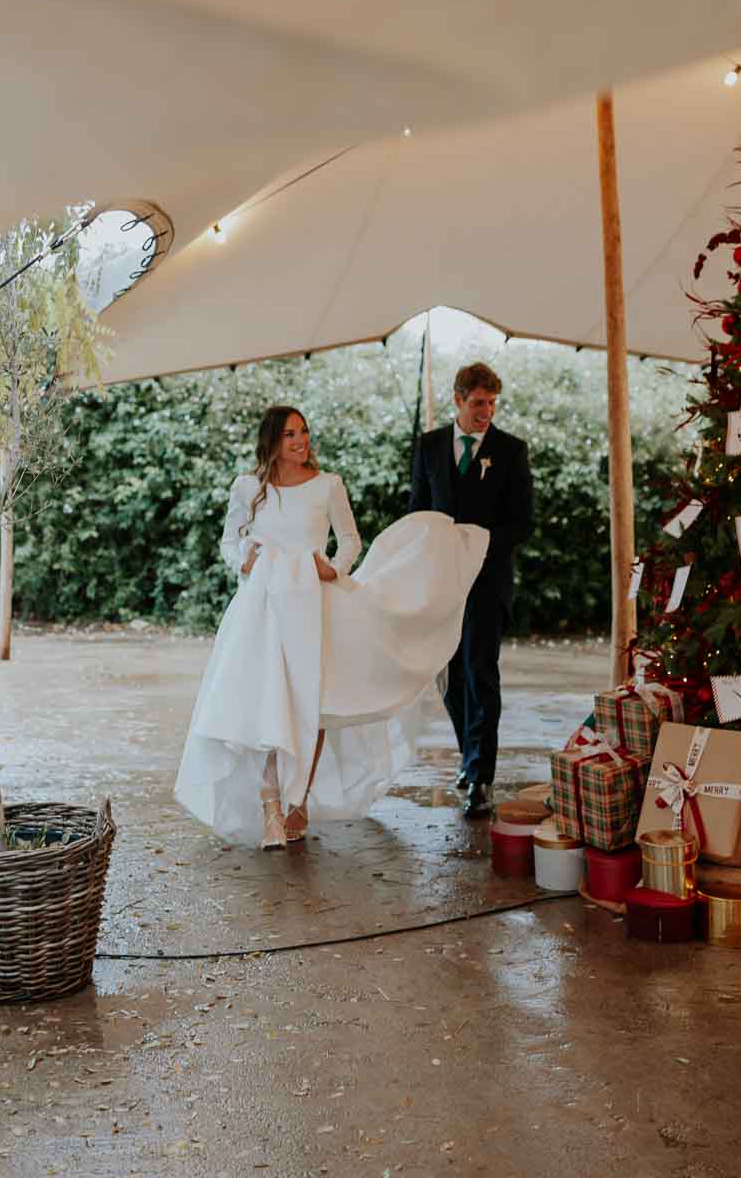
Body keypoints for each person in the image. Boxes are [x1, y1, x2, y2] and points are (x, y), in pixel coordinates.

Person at [175, 405, 489, 849]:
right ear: (272, 442)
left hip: (315, 603)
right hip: (262, 608)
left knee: (311, 704)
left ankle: (297, 800)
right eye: (289, 434)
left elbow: (351, 540)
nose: (301, 441)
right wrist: (241, 561)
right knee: (270, 699)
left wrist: (334, 569)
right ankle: (270, 805)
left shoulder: (328, 485)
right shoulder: (248, 487)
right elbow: (230, 540)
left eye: (303, 431)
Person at [408, 362, 534, 818]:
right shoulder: (429, 446)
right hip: (442, 583)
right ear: (458, 400)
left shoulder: (511, 450)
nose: (486, 412)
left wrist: (475, 542)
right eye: (478, 403)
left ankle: (480, 777)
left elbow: (523, 524)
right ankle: (468, 757)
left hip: (487, 581)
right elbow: (417, 511)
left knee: (480, 672)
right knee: (450, 679)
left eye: (492, 403)